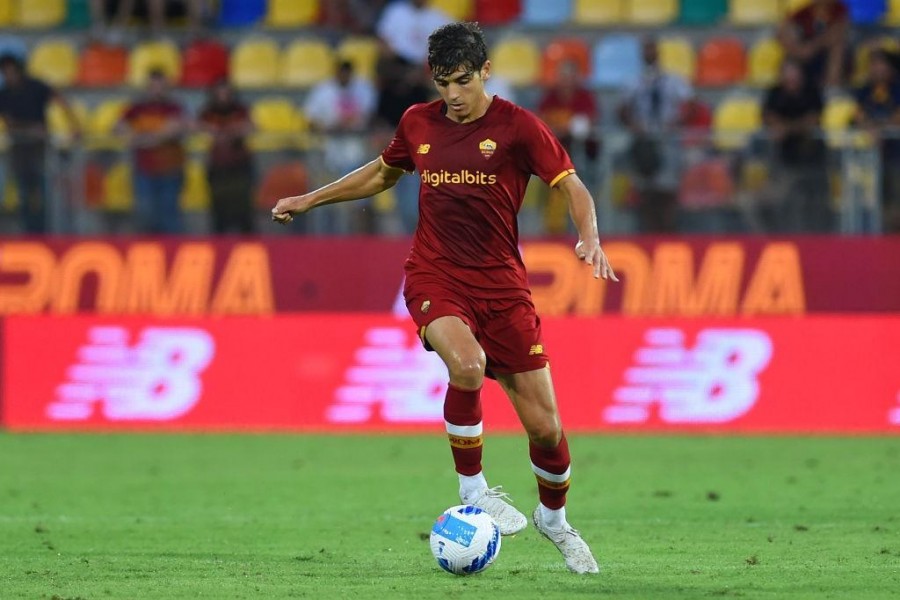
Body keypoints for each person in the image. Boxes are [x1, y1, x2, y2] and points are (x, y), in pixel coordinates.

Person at [273, 22, 616, 574]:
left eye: (462, 81)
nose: (452, 95)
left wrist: (589, 237)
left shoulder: (519, 128)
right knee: (467, 364)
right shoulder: (417, 122)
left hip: (503, 289)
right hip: (437, 275)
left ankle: (555, 521)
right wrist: (311, 199)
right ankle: (474, 490)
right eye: (442, 83)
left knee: (547, 430)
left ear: (485, 72)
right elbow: (383, 174)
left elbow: (572, 185)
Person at [618, 37, 692, 233]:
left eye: (651, 50)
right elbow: (623, 109)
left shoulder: (673, 80)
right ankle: (649, 231)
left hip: (667, 140)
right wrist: (634, 124)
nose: (649, 54)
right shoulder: (633, 81)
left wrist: (675, 122)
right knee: (645, 190)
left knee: (667, 189)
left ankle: (669, 230)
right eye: (645, 51)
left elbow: (690, 106)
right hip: (645, 142)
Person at [0, 54, 81, 234]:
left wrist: (74, 125)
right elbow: (9, 122)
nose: (9, 76)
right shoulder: (4, 93)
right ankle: (29, 231)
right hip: (19, 149)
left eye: (11, 71)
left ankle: (44, 231)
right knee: (23, 192)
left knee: (43, 191)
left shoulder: (35, 87)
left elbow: (61, 100)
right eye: (5, 72)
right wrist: (31, 129)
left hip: (40, 149)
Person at [305, 60, 377, 234]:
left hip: (357, 151)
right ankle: (329, 236)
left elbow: (371, 116)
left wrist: (352, 124)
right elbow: (310, 120)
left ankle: (361, 238)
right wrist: (329, 128)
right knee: (330, 199)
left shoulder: (364, 89)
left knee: (361, 199)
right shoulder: (323, 91)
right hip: (330, 153)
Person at [762, 58, 830, 232]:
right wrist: (795, 127)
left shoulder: (812, 92)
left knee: (814, 204)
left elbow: (813, 120)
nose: (791, 78)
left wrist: (788, 128)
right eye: (787, 73)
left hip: (813, 160)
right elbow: (770, 118)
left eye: (794, 73)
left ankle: (818, 238)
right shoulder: (774, 93)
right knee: (782, 201)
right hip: (785, 160)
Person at [117, 69, 188, 234]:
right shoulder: (136, 108)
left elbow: (177, 128)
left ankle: (171, 253)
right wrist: (146, 138)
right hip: (144, 169)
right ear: (148, 87)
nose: (157, 90)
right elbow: (119, 127)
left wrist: (145, 138)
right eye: (153, 86)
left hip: (170, 168)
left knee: (169, 214)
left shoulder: (174, 107)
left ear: (166, 87)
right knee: (145, 214)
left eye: (160, 86)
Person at [538, 59, 600, 234]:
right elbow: (540, 124)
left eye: (569, 75)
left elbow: (587, 124)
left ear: (577, 77)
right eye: (562, 75)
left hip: (583, 156)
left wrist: (564, 128)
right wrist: (564, 128)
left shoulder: (584, 97)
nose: (566, 80)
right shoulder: (550, 97)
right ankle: (554, 231)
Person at [198, 80, 255, 234]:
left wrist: (225, 133)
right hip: (217, 167)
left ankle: (247, 242)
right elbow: (198, 129)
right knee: (219, 209)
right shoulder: (208, 112)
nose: (223, 96)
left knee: (243, 209)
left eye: (226, 93)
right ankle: (220, 243)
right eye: (220, 93)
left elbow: (250, 127)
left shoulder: (240, 110)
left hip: (239, 166)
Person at [854, 49, 900, 233]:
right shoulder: (864, 90)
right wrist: (870, 128)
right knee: (881, 201)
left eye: (881, 64)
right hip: (872, 157)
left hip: (896, 155)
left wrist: (882, 129)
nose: (877, 69)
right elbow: (858, 116)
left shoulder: (897, 89)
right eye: (873, 64)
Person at [778, 0, 849, 89]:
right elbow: (783, 30)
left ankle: (831, 87)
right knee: (790, 51)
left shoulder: (839, 10)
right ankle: (791, 89)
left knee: (838, 47)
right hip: (806, 54)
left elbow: (836, 34)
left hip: (826, 54)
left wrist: (813, 46)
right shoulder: (804, 13)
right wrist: (799, 49)